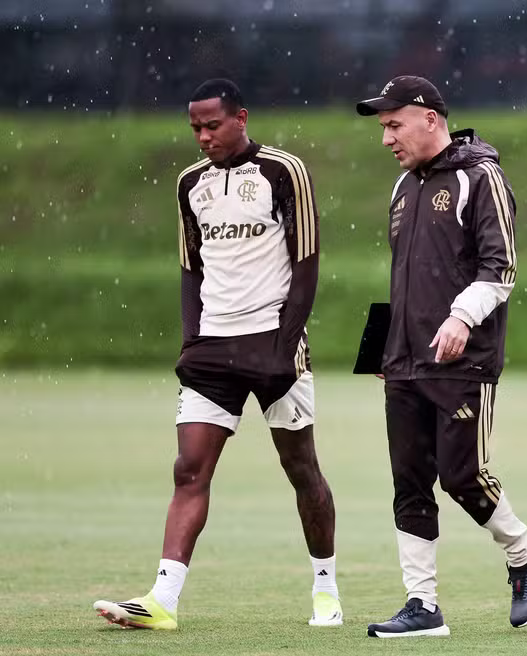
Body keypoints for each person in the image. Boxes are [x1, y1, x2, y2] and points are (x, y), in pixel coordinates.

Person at [93, 78, 342, 630]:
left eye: (212, 125)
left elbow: (307, 263)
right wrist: (191, 339)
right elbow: (191, 269)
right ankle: (163, 600)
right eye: (195, 129)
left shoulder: (284, 171)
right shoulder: (188, 184)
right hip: (212, 348)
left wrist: (286, 342)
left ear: (241, 118)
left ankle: (326, 588)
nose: (203, 137)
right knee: (189, 470)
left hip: (275, 345)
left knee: (301, 469)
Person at [355, 75, 527, 638]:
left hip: (463, 359)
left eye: (394, 125)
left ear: (429, 118)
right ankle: (423, 607)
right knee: (408, 480)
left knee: (463, 474)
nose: (387, 138)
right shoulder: (402, 189)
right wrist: (382, 346)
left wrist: (461, 317)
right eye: (383, 128)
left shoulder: (480, 176)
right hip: (403, 361)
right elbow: (403, 279)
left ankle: (525, 555)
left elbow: (501, 268)